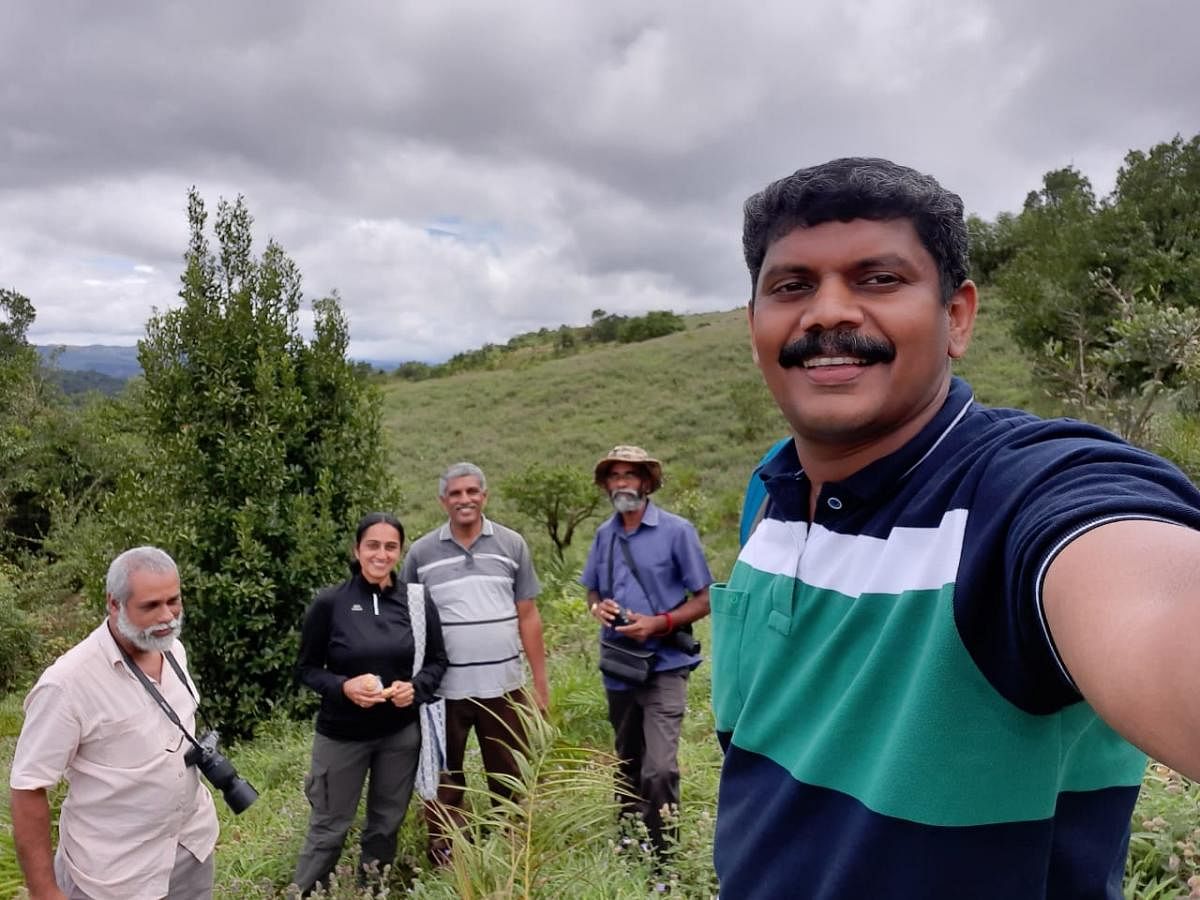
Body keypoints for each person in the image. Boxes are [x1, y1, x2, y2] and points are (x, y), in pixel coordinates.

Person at [711, 157, 1200, 899]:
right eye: (792, 286)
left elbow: (1152, 600)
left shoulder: (1024, 497)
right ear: (756, 329)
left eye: (879, 279)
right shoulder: (770, 494)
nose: (828, 312)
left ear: (958, 317)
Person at [9, 546, 219, 900]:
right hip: (113, 878)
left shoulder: (172, 648)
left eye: (174, 600)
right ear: (114, 604)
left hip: (189, 850)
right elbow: (28, 788)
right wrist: (45, 891)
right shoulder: (67, 684)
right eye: (150, 606)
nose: (167, 616)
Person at [400, 462, 548, 864]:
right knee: (444, 780)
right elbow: (408, 620)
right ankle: (450, 862)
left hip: (503, 686)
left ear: (484, 495)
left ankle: (510, 857)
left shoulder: (511, 544)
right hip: (442, 693)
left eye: (471, 492)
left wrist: (540, 683)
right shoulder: (421, 553)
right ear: (442, 500)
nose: (464, 500)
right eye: (455, 493)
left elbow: (528, 614)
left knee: (508, 776)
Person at [292, 512, 447, 894]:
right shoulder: (331, 603)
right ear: (357, 550)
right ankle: (307, 892)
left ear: (400, 551)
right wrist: (345, 688)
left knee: (385, 824)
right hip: (341, 736)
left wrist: (416, 688)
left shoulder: (415, 600)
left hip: (398, 736)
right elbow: (306, 669)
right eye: (372, 545)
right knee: (329, 826)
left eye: (390, 546)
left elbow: (437, 661)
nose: (381, 554)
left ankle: (370, 890)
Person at [582, 445, 712, 857]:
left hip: (666, 665)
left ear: (646, 482)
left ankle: (665, 855)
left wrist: (659, 623)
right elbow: (592, 588)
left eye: (631, 475)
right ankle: (628, 845)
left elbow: (706, 597)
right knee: (627, 763)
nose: (623, 483)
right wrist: (595, 606)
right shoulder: (605, 535)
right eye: (615, 476)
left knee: (660, 768)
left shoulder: (677, 531)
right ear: (607, 485)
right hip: (618, 664)